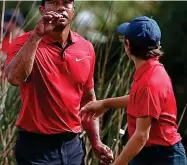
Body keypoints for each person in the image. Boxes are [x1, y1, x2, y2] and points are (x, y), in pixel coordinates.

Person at [5, 0, 113, 164]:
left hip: (73, 147)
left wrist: (96, 142)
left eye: (66, 3)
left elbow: (88, 100)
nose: (61, 7)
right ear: (42, 10)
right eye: (54, 3)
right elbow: (14, 78)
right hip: (36, 149)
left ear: (73, 10)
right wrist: (36, 36)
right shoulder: (23, 42)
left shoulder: (86, 48)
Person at [79, 16, 187, 165]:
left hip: (163, 157)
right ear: (158, 44)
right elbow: (142, 100)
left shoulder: (150, 81)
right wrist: (105, 104)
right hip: (149, 153)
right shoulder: (151, 70)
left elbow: (141, 136)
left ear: (127, 45)